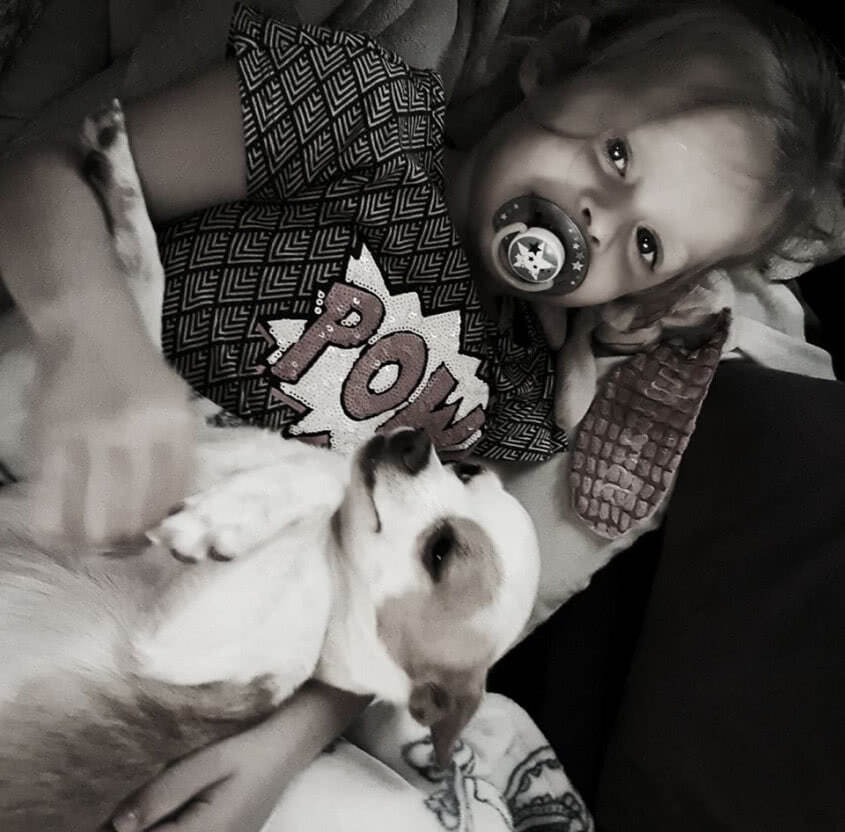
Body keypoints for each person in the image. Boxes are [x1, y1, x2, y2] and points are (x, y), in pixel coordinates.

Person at [0, 0, 841, 829]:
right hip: (50, 445)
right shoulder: (366, 113)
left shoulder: (520, 397)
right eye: (616, 155)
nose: (597, 220)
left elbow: (412, 602)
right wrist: (95, 342)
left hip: (155, 649)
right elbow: (48, 174)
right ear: (550, 64)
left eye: (645, 244)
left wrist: (290, 738)